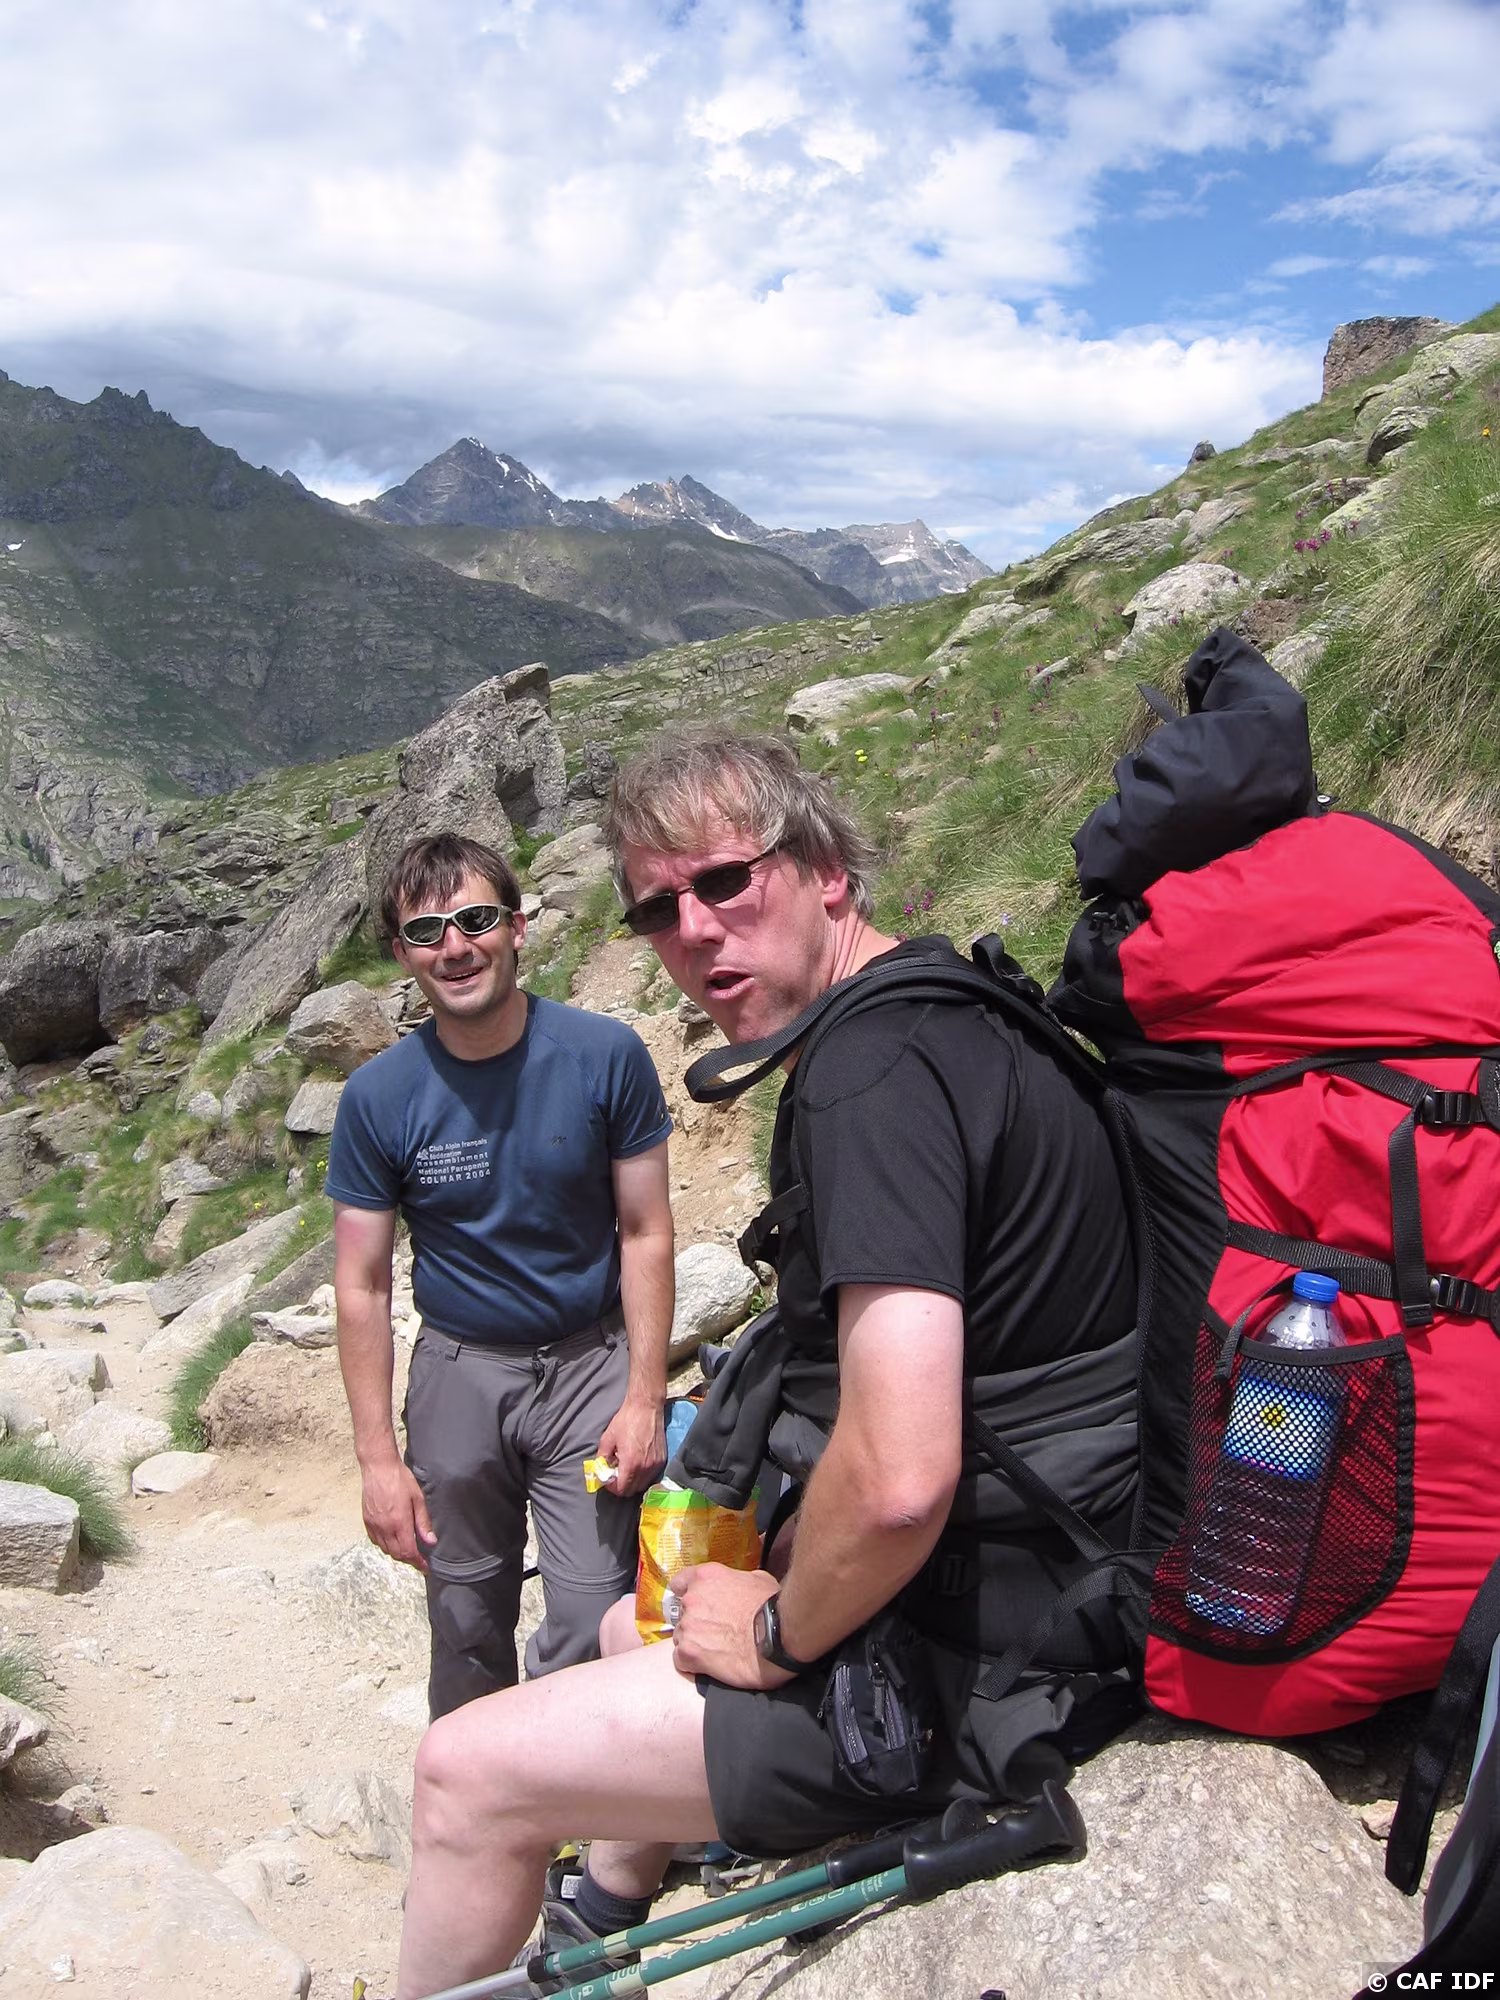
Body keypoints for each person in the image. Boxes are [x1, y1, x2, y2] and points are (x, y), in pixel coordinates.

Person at [392, 739, 1138, 2000]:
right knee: (632, 1622)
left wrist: (782, 1632)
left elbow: (899, 1480)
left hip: (997, 1665)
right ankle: (605, 1904)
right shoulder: (950, 1003)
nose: (694, 930)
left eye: (728, 880)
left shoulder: (872, 1078)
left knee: (460, 1773)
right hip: (1075, 1564)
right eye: (658, 907)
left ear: (828, 869)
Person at [327, 832, 676, 1719]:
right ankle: (477, 1784)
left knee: (594, 1612)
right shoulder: (378, 1098)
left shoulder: (605, 1055)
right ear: (402, 954)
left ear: (518, 928)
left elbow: (645, 1230)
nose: (455, 947)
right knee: (464, 1613)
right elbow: (361, 1283)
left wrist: (645, 1396)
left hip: (588, 1369)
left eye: (476, 920)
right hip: (459, 1377)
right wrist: (377, 1460)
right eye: (427, 931)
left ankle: (570, 1784)